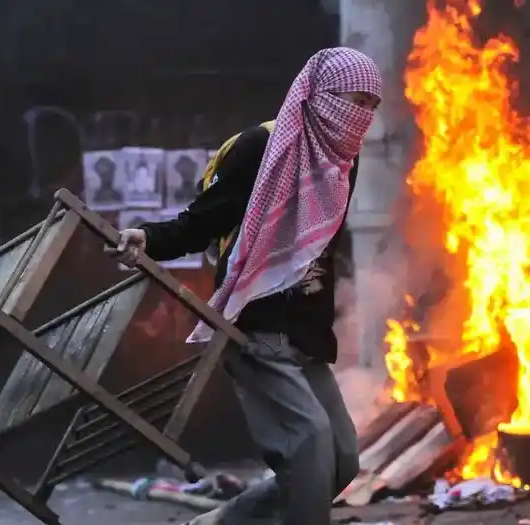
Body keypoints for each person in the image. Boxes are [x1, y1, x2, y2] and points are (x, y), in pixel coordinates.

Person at [110, 48, 383, 525]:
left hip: (307, 334)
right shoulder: (261, 149)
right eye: (348, 99)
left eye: (368, 104)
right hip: (253, 326)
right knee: (308, 445)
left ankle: (220, 521)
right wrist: (149, 238)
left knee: (341, 460)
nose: (357, 114)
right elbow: (203, 221)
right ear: (318, 96)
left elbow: (321, 248)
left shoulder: (343, 161)